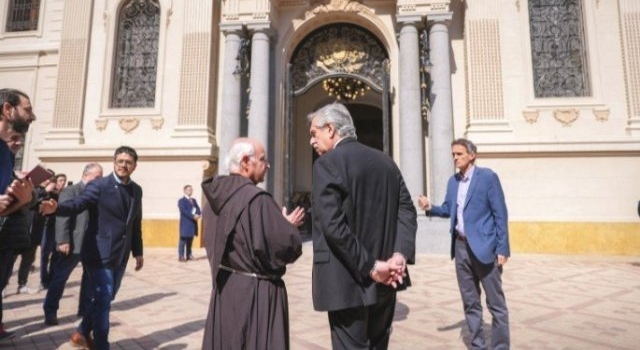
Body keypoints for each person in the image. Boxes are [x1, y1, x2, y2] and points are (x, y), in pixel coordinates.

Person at [307, 103, 417, 350]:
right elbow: (407, 210)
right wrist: (399, 255)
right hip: (387, 279)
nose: (312, 141)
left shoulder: (327, 164)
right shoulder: (386, 162)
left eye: (315, 133)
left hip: (347, 280)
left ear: (331, 129)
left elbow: (333, 226)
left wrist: (371, 266)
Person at [200, 137, 304, 350]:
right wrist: (288, 227)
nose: (268, 165)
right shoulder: (258, 200)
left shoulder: (213, 199)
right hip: (256, 292)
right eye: (263, 159)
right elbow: (286, 249)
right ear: (246, 162)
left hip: (226, 286)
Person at [41, 146, 144, 350]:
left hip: (120, 254)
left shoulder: (136, 190)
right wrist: (57, 208)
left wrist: (138, 251)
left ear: (134, 166)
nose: (123, 165)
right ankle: (102, 345)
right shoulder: (99, 185)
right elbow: (79, 203)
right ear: (114, 162)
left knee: (108, 296)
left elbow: (135, 223)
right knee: (104, 300)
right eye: (120, 161)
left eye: (128, 162)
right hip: (99, 252)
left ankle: (80, 334)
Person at [417, 138, 510, 350]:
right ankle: (478, 345)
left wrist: (503, 248)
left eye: (459, 154)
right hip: (460, 248)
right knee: (470, 302)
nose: (455, 158)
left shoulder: (487, 178)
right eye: (453, 155)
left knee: (496, 305)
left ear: (472, 155)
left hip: (485, 248)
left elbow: (500, 214)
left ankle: (501, 347)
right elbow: (449, 209)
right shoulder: (453, 182)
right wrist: (430, 206)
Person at [43, 163, 103, 326]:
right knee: (60, 278)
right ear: (86, 175)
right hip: (72, 244)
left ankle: (83, 310)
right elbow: (63, 217)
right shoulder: (71, 191)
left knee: (89, 279)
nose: (100, 180)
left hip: (91, 245)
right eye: (97, 176)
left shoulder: (99, 194)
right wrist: (63, 240)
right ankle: (50, 311)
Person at [0, 88, 37, 340]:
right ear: (7, 109)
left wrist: (22, 200)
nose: (32, 116)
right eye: (27, 109)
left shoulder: (5, 153)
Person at [177, 184, 201, 261]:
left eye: (191, 189)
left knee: (190, 241)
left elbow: (198, 209)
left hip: (193, 224)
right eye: (189, 189)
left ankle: (189, 255)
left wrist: (198, 214)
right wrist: (193, 216)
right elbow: (184, 211)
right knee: (183, 241)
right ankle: (181, 256)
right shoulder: (181, 201)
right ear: (184, 191)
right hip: (185, 224)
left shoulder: (193, 200)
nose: (190, 191)